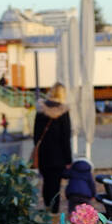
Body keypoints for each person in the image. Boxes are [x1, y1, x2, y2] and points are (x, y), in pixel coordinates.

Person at [32, 83, 72, 214]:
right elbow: (65, 138)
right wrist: (68, 160)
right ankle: (54, 213)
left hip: (44, 155)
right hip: (58, 157)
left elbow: (36, 135)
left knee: (46, 183)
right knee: (55, 186)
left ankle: (47, 208)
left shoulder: (40, 109)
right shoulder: (63, 111)